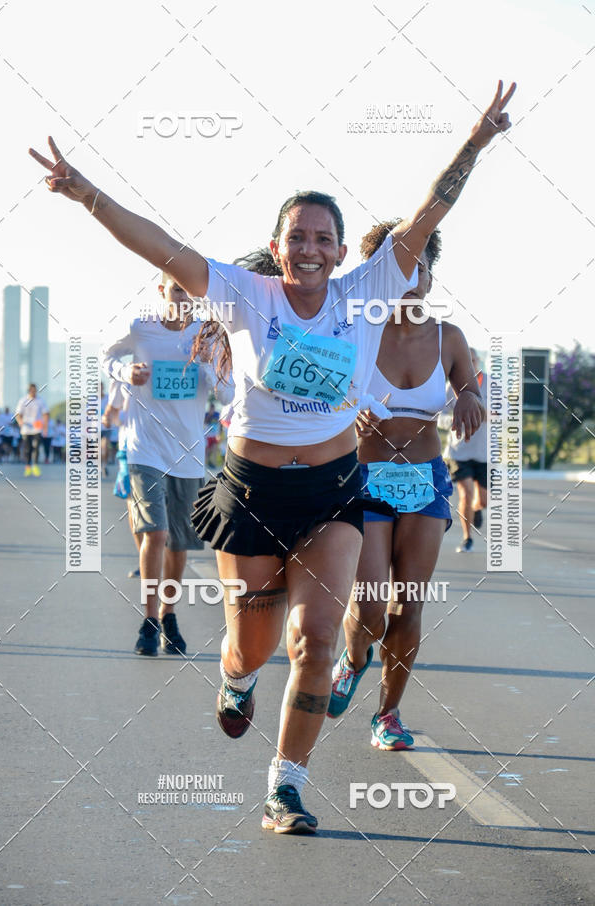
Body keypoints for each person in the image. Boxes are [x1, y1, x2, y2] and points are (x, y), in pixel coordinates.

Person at [30, 79, 515, 833]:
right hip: (251, 493)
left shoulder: (369, 289)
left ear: (344, 249)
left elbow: (431, 210)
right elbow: (157, 242)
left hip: (333, 495)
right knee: (252, 643)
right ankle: (233, 678)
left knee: (315, 638)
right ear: (278, 244)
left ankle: (284, 786)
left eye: (326, 237)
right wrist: (85, 193)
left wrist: (476, 144)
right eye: (299, 237)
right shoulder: (243, 294)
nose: (312, 249)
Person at [327, 220, 485, 750]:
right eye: (395, 271)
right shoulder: (354, 331)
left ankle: (388, 714)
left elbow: (470, 389)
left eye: (417, 269)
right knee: (369, 605)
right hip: (364, 478)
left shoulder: (450, 338)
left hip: (426, 481)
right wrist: (347, 415)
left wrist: (467, 398)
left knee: (409, 603)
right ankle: (352, 659)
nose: (407, 280)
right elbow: (320, 396)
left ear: (430, 278)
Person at [101, 275, 234, 656]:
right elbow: (106, 356)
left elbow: (228, 393)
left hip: (188, 454)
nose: (184, 297)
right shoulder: (140, 328)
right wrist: (126, 373)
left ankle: (169, 614)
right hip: (146, 450)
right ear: (162, 292)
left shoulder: (208, 335)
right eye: (177, 289)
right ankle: (149, 619)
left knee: (178, 542)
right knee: (155, 534)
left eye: (191, 291)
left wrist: (210, 368)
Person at [445, 348, 488, 553]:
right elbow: (438, 415)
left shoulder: (493, 385)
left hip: (485, 453)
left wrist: (487, 415)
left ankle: (478, 509)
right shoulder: (450, 386)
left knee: (483, 500)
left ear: (478, 361)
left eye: (473, 360)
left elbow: (506, 415)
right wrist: (455, 419)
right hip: (458, 451)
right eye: (466, 361)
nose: (470, 365)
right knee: (466, 493)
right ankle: (467, 538)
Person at [102, 379, 142, 578]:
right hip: (127, 451)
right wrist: (109, 417)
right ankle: (145, 559)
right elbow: (114, 416)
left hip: (160, 452)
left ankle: (156, 556)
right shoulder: (121, 379)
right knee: (133, 508)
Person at [15, 383, 49, 477]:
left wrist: (45, 428)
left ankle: (35, 465)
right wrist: (20, 421)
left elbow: (45, 414)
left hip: (37, 427)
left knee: (37, 446)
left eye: (35, 391)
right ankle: (28, 466)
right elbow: (18, 414)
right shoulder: (23, 400)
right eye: (32, 391)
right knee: (28, 448)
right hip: (26, 428)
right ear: (29, 391)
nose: (33, 392)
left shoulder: (40, 401)